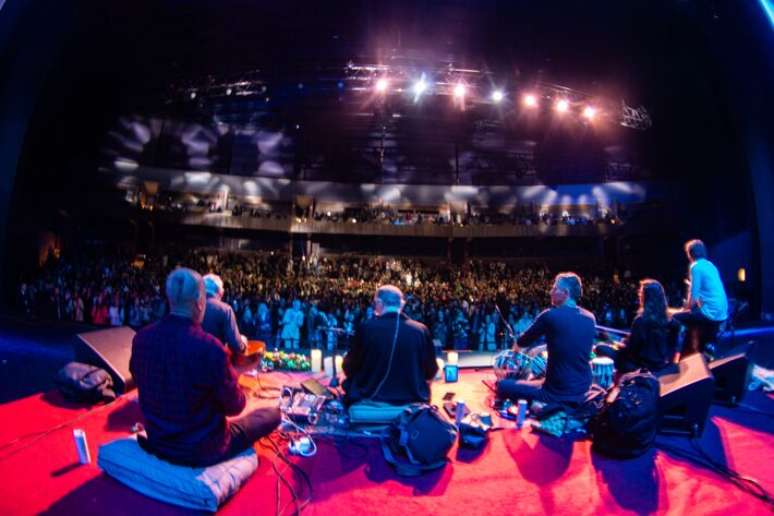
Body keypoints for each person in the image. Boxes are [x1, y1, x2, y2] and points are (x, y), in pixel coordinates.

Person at [129, 268, 280, 467]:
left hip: (158, 440)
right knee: (272, 415)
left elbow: (138, 377)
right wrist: (235, 374)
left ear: (170, 299)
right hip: (202, 450)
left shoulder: (142, 338)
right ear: (200, 303)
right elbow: (235, 406)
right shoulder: (210, 348)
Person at [496, 272, 596, 405]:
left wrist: (514, 357)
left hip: (557, 392)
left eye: (555, 288)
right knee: (540, 378)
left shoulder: (550, 315)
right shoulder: (590, 318)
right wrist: (541, 348)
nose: (550, 292)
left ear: (565, 293)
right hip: (583, 388)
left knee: (503, 385)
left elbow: (521, 343)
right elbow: (570, 344)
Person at [342, 285, 438, 420]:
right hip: (412, 404)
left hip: (371, 398)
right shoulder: (421, 330)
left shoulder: (366, 328)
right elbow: (431, 371)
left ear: (379, 303)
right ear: (402, 304)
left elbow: (349, 368)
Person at [595, 279, 680, 376]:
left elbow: (631, 352)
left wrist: (616, 343)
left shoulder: (640, 320)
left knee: (600, 348)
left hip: (639, 366)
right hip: (660, 365)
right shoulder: (672, 322)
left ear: (645, 297)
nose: (639, 296)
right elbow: (672, 348)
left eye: (641, 293)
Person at [672, 239, 728, 355]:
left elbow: (693, 298)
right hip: (722, 312)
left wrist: (685, 307)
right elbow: (707, 292)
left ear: (690, 253)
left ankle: (678, 353)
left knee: (675, 318)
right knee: (690, 317)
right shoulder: (710, 265)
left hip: (710, 313)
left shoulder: (695, 267)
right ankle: (696, 350)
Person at [201, 273, 246, 358]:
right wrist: (243, 343)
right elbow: (236, 346)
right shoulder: (225, 310)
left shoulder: (190, 307)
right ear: (219, 291)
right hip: (215, 361)